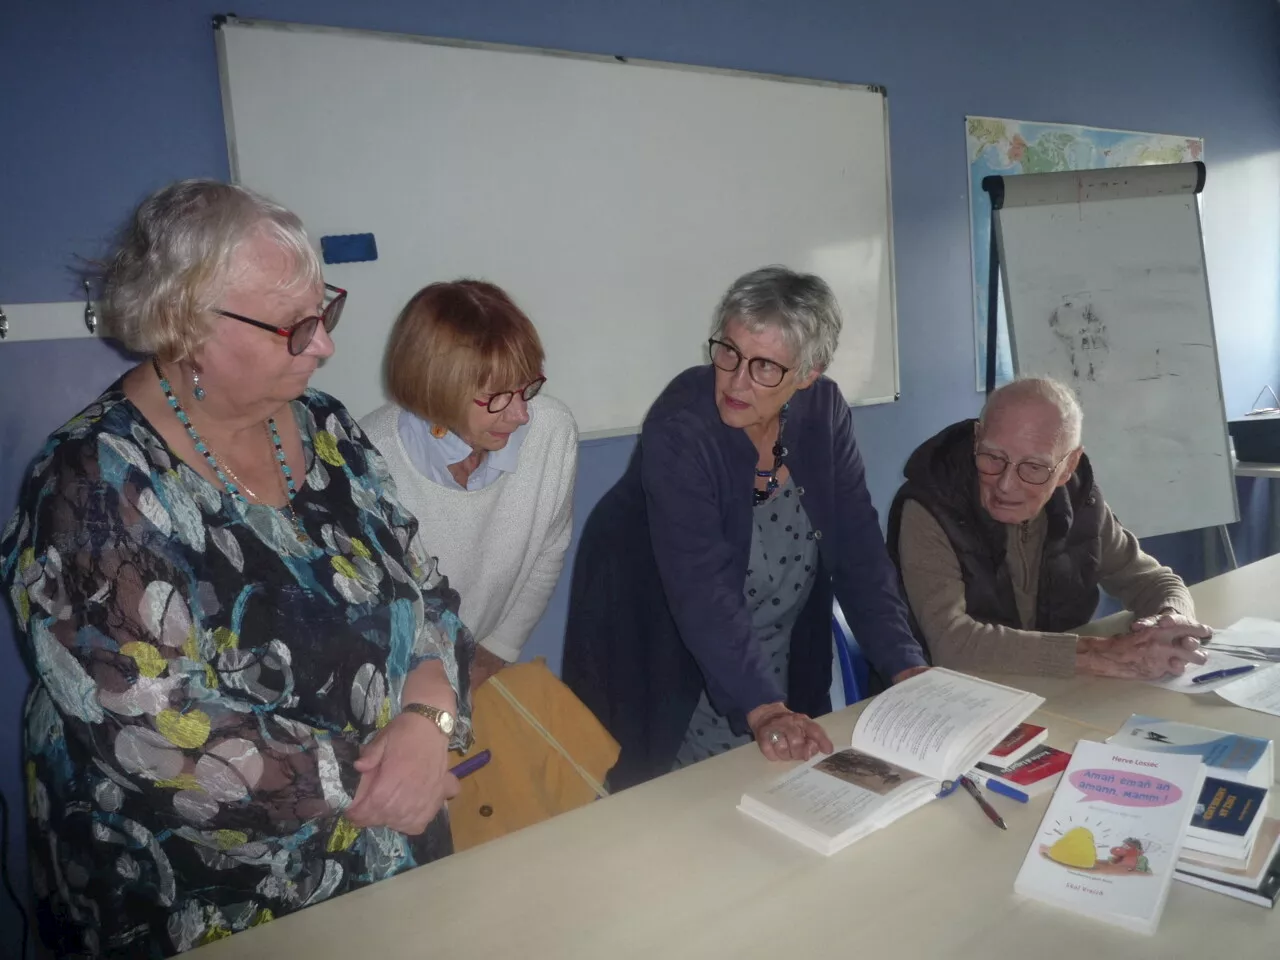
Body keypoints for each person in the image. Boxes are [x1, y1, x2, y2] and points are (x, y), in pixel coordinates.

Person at [0, 180, 475, 957]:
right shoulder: (91, 483)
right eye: (294, 327)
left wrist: (428, 721)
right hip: (198, 896)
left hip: (383, 850)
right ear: (181, 326)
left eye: (325, 312)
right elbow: (154, 728)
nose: (323, 345)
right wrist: (376, 783)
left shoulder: (327, 427)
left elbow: (426, 591)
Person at [562, 265, 928, 790]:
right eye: (728, 352)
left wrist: (906, 667)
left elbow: (860, 552)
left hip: (770, 643)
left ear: (808, 373)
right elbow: (701, 587)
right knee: (684, 804)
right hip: (664, 636)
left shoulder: (824, 414)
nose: (734, 380)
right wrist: (762, 709)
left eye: (764, 368)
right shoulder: (682, 428)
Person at [887, 376, 1210, 680]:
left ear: (1068, 466)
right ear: (976, 439)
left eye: (1034, 467)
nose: (1006, 484)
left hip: (1049, 686)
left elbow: (1153, 581)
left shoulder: (1080, 501)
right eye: (992, 457)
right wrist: (1097, 652)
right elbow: (952, 644)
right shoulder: (930, 507)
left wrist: (1171, 623)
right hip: (949, 693)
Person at [360, 281, 577, 690]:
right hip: (385, 681)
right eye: (496, 397)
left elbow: (549, 547)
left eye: (527, 386)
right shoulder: (367, 458)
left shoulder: (552, 431)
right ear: (437, 387)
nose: (521, 414)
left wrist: (496, 650)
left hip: (473, 666)